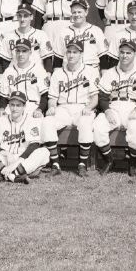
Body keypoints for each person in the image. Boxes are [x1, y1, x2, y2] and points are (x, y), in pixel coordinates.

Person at [43, 39, 99, 177]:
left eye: (75, 52)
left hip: (82, 107)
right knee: (47, 122)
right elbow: (52, 98)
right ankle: (55, 164)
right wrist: (51, 107)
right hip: (63, 108)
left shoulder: (91, 71)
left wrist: (89, 107)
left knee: (86, 123)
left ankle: (82, 164)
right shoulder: (58, 73)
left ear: (81, 54)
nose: (71, 55)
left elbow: (95, 98)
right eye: (69, 52)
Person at [92, 40, 136, 176]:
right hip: (114, 107)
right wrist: (107, 110)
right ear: (118, 53)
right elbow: (103, 97)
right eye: (122, 52)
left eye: (128, 53)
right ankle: (109, 160)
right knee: (98, 127)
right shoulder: (110, 73)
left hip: (132, 106)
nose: (125, 55)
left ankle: (133, 163)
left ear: (134, 54)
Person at [0, 91, 50, 184]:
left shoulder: (31, 121)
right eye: (12, 105)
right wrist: (5, 153)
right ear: (8, 106)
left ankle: (5, 174)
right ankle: (13, 176)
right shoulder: (1, 120)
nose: (14, 108)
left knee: (44, 152)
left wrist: (17, 162)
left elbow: (34, 145)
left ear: (24, 107)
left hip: (23, 160)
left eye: (18, 105)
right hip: (4, 159)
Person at [0, 38, 50, 117]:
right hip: (13, 107)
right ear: (15, 52)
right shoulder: (8, 71)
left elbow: (45, 95)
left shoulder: (39, 70)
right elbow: (3, 96)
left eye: (24, 51)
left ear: (30, 52)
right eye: (18, 51)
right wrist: (1, 109)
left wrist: (40, 109)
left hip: (33, 106)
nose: (20, 54)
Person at [0, 3, 53, 73]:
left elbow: (47, 58)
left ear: (31, 17)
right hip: (16, 76)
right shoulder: (9, 36)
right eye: (20, 16)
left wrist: (48, 74)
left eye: (26, 16)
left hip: (36, 75)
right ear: (17, 17)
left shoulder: (41, 35)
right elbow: (3, 60)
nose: (22, 19)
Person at [54, 0, 108, 69]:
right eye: (74, 12)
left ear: (86, 12)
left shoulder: (96, 31)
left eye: (79, 12)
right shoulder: (63, 32)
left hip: (92, 70)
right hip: (69, 72)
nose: (77, 15)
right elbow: (58, 59)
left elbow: (103, 57)